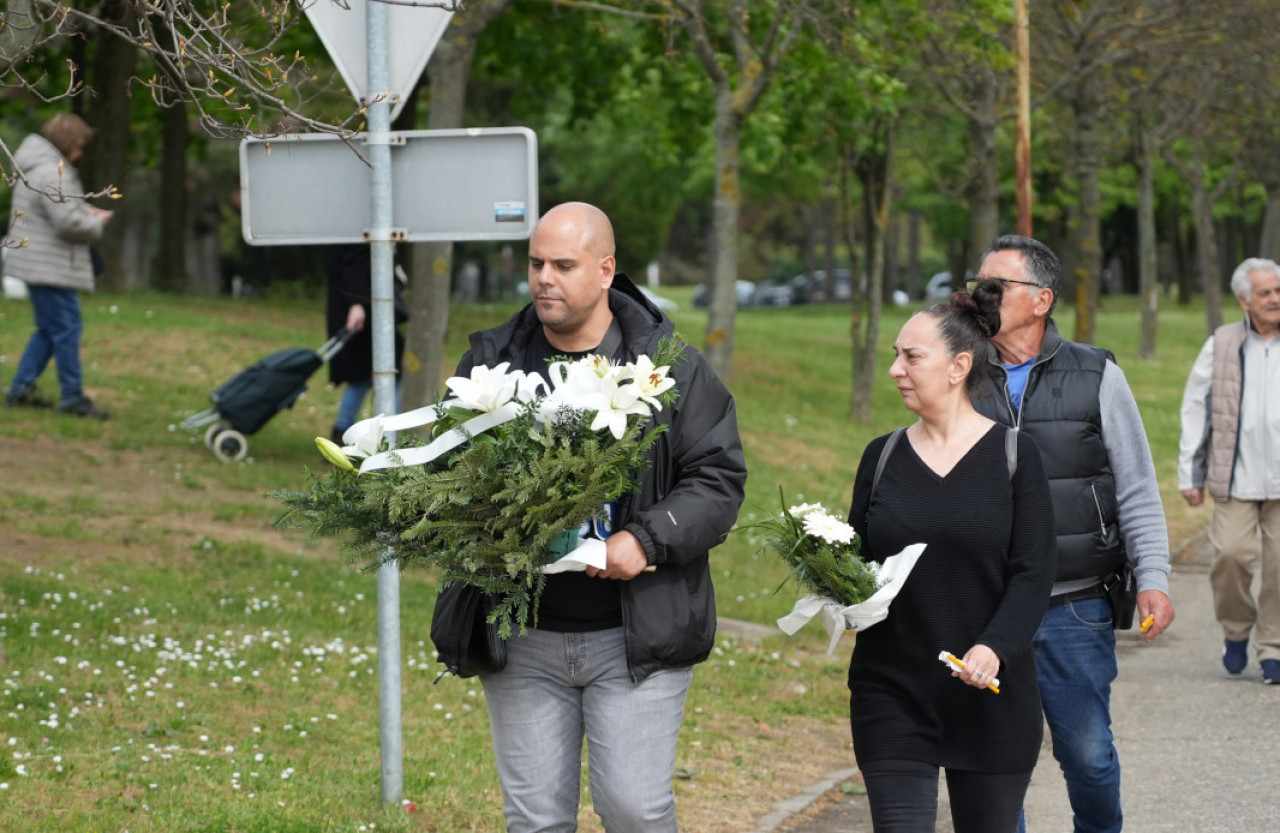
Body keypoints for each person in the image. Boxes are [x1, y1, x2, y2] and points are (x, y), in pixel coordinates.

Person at [453, 202, 747, 832]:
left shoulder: (667, 366)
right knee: (534, 820)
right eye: (536, 263)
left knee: (634, 810)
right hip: (524, 634)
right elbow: (454, 473)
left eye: (563, 265)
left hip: (635, 634)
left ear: (606, 270)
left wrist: (646, 539)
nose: (544, 279)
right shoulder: (491, 362)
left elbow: (717, 478)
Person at [969, 235, 1176, 833]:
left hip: (1074, 604)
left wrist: (1154, 579)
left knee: (1087, 755)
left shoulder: (1096, 373)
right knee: (994, 763)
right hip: (986, 605)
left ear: (1042, 300)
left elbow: (1136, 485)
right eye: (977, 283)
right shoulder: (959, 369)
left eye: (997, 285)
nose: (981, 295)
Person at [846, 287, 1056, 833]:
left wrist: (994, 648)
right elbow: (857, 563)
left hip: (990, 697)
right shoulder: (882, 456)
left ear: (959, 367)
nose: (895, 369)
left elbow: (1033, 573)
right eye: (895, 355)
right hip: (891, 690)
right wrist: (830, 582)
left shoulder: (1015, 456)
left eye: (912, 357)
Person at [1178, 257, 1280, 685]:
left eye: (1278, 290)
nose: (1274, 299)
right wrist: (1190, 473)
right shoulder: (1221, 343)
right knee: (1231, 557)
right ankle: (1236, 632)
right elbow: (1195, 407)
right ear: (1244, 300)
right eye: (1265, 292)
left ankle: (1273, 648)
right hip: (1236, 478)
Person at [5, 113, 114, 419]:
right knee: (67, 329)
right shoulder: (53, 171)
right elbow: (67, 223)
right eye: (78, 145)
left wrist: (84, 209)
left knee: (49, 330)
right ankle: (72, 397)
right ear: (67, 143)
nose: (79, 152)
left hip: (38, 263)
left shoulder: (37, 166)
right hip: (49, 267)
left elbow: (57, 208)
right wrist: (97, 223)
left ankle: (20, 390)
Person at [324, 243, 403, 442]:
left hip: (363, 306)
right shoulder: (354, 231)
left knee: (365, 375)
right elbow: (351, 261)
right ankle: (384, 436)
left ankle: (345, 433)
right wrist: (356, 303)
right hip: (362, 310)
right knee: (372, 374)